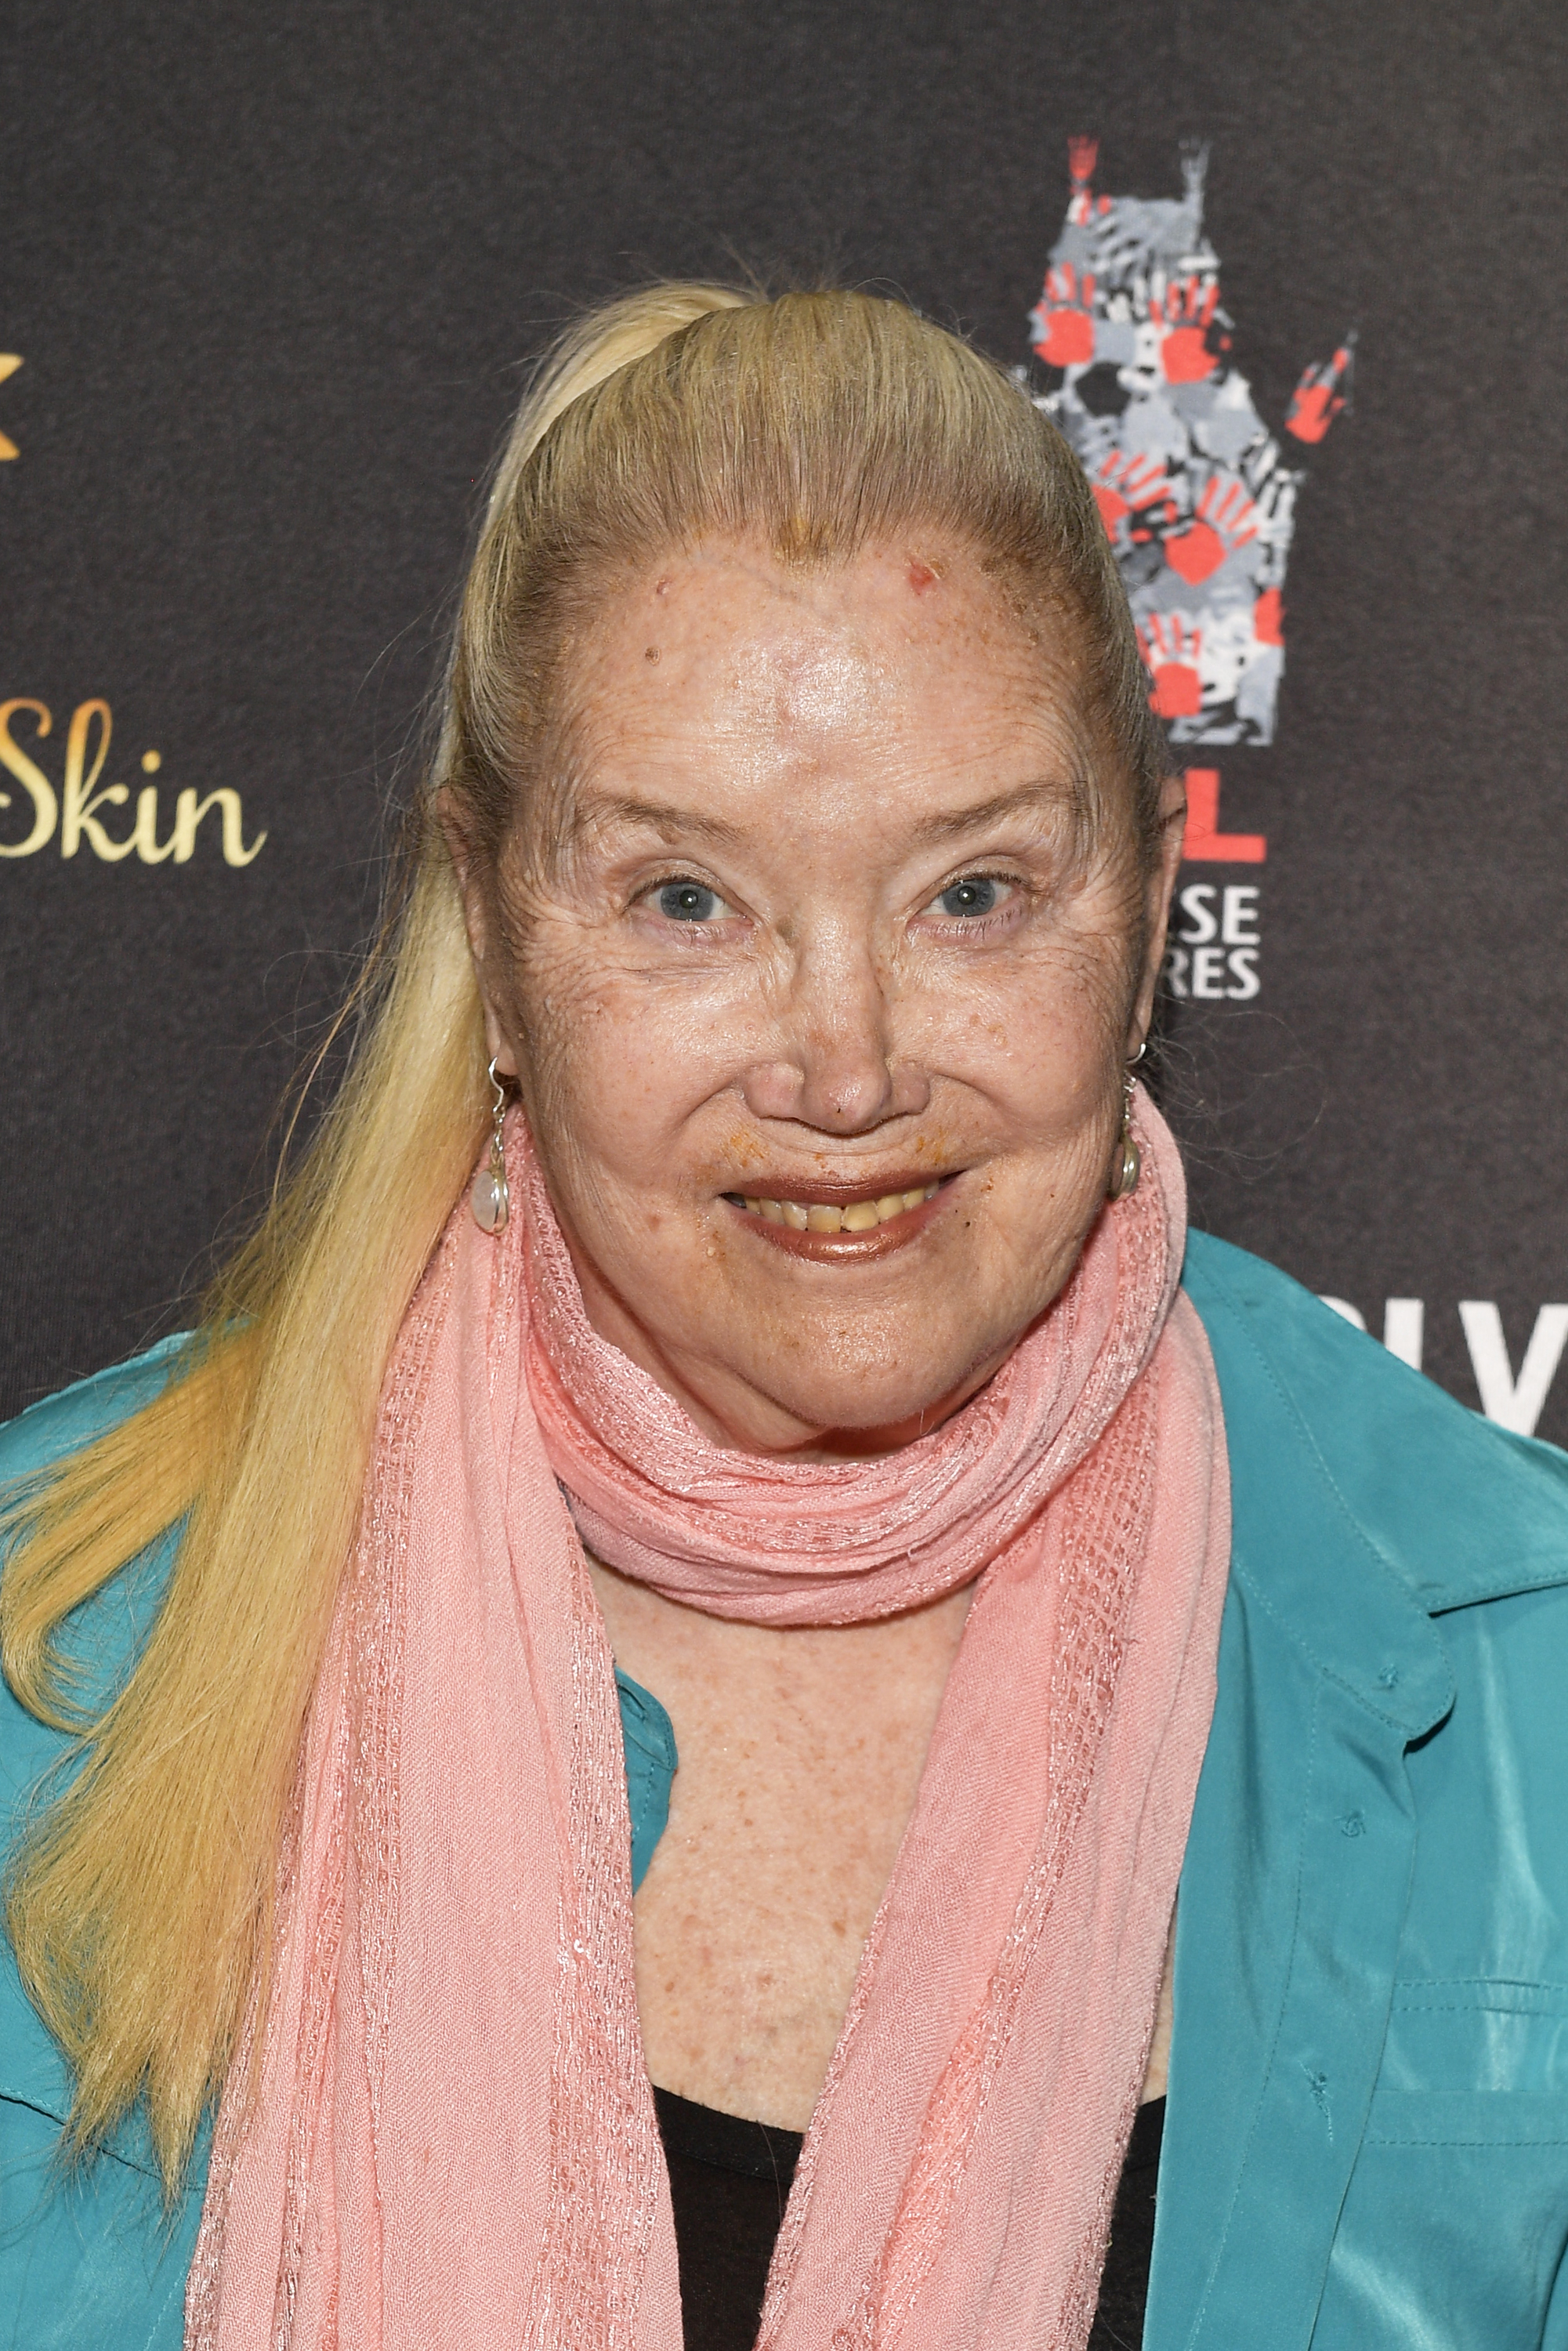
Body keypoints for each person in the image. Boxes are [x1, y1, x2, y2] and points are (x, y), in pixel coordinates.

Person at [2, 284, 1566, 2351]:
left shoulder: (1513, 1683)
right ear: (492, 927)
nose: (841, 1067)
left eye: (973, 896)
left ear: (1150, 898)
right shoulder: (51, 1639)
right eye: (683, 901)